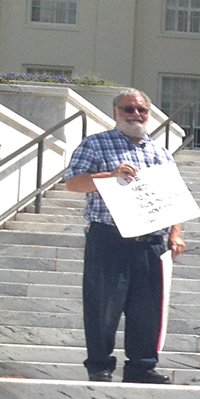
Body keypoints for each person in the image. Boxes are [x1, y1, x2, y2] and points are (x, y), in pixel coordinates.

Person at [63, 88, 186, 384]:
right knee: (103, 305)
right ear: (116, 112)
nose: (136, 115)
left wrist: (176, 233)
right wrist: (110, 175)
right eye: (129, 109)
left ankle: (141, 367)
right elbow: (73, 183)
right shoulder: (95, 144)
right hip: (109, 237)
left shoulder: (160, 153)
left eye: (141, 110)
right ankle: (100, 365)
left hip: (150, 241)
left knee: (147, 308)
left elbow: (174, 196)